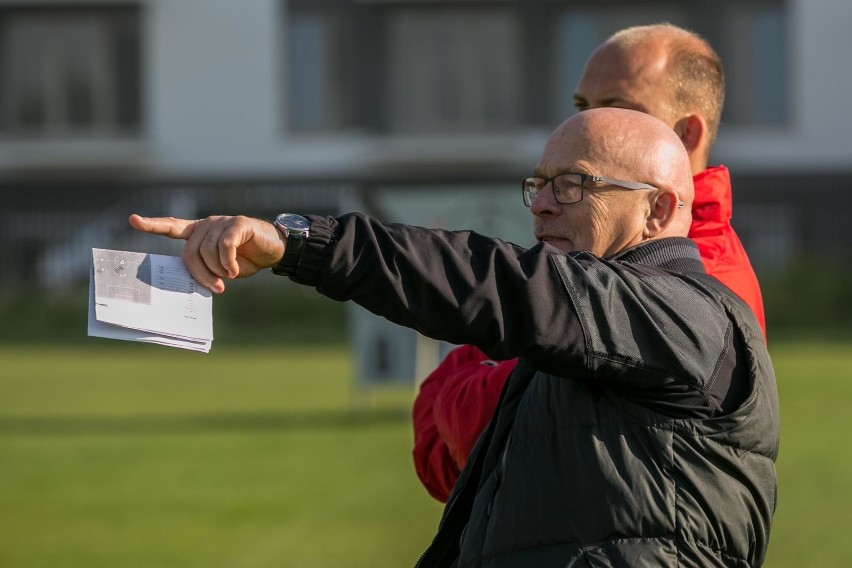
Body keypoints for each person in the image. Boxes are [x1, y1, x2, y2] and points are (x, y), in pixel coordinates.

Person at [130, 108, 779, 566]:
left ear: (659, 209)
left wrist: (300, 245)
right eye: (539, 184)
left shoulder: (689, 314)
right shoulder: (583, 342)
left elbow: (499, 284)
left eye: (573, 184)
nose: (542, 204)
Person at [412, 23, 768, 503]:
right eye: (582, 106)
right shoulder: (598, 236)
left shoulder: (704, 280)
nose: (589, 124)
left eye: (616, 107)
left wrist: (455, 385)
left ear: (686, 135)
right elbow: (445, 460)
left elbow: (489, 436)